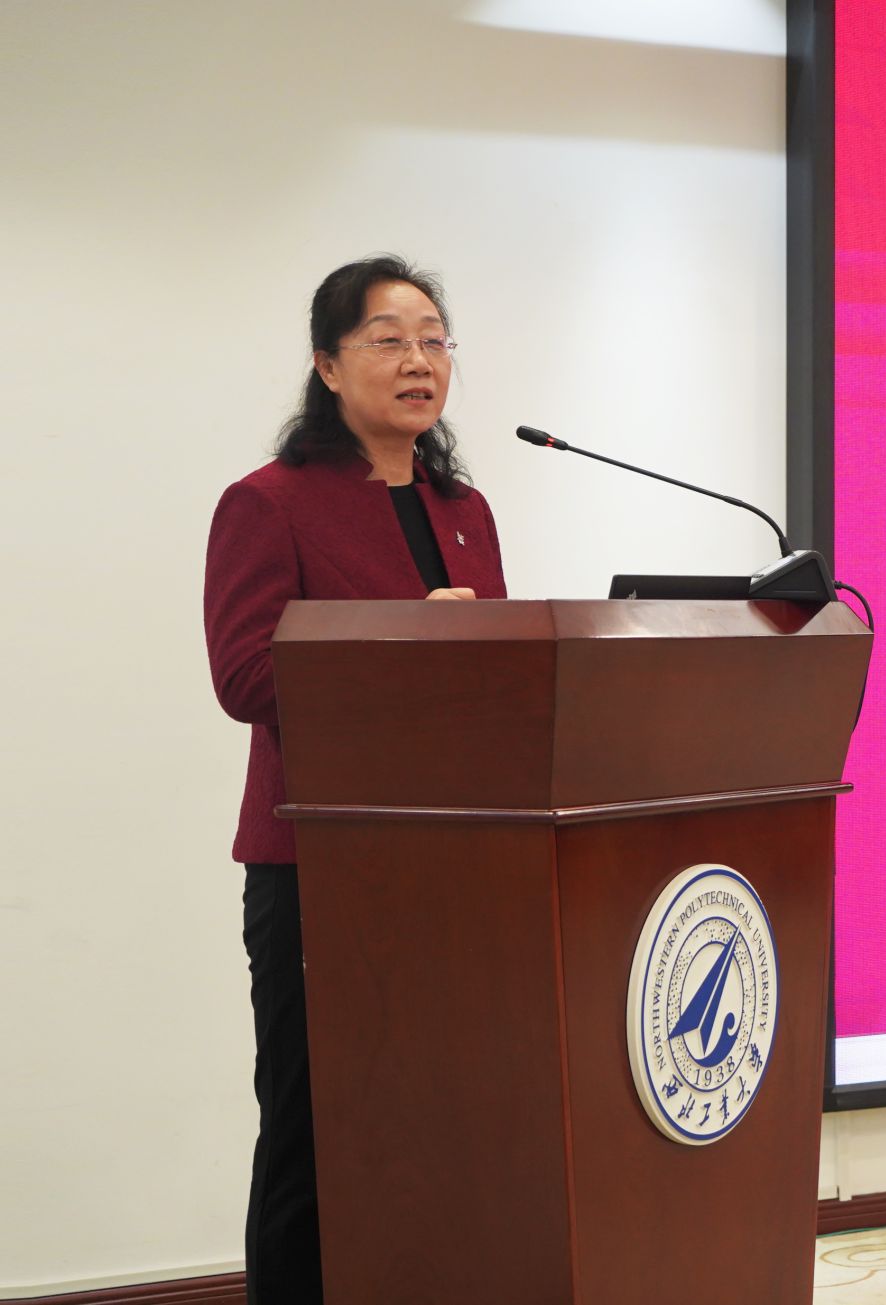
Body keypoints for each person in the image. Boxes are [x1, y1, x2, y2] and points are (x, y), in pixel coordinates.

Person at [202, 255, 507, 1303]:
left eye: (433, 339)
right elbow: (246, 677)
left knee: (435, 1124)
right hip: (319, 867)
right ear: (327, 366)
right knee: (312, 1128)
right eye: (388, 339)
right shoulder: (269, 504)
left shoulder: (464, 508)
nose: (418, 360)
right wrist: (405, 637)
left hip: (454, 863)